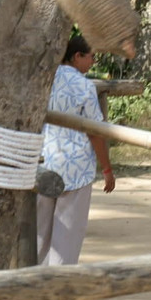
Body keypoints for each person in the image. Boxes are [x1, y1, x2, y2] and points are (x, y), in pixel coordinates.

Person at [36, 35, 115, 266]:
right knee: (67, 236)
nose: (93, 62)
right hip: (76, 168)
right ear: (77, 56)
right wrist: (107, 168)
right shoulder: (85, 86)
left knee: (39, 232)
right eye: (91, 57)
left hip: (42, 161)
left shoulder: (43, 79)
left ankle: (32, 279)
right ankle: (57, 282)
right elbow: (95, 132)